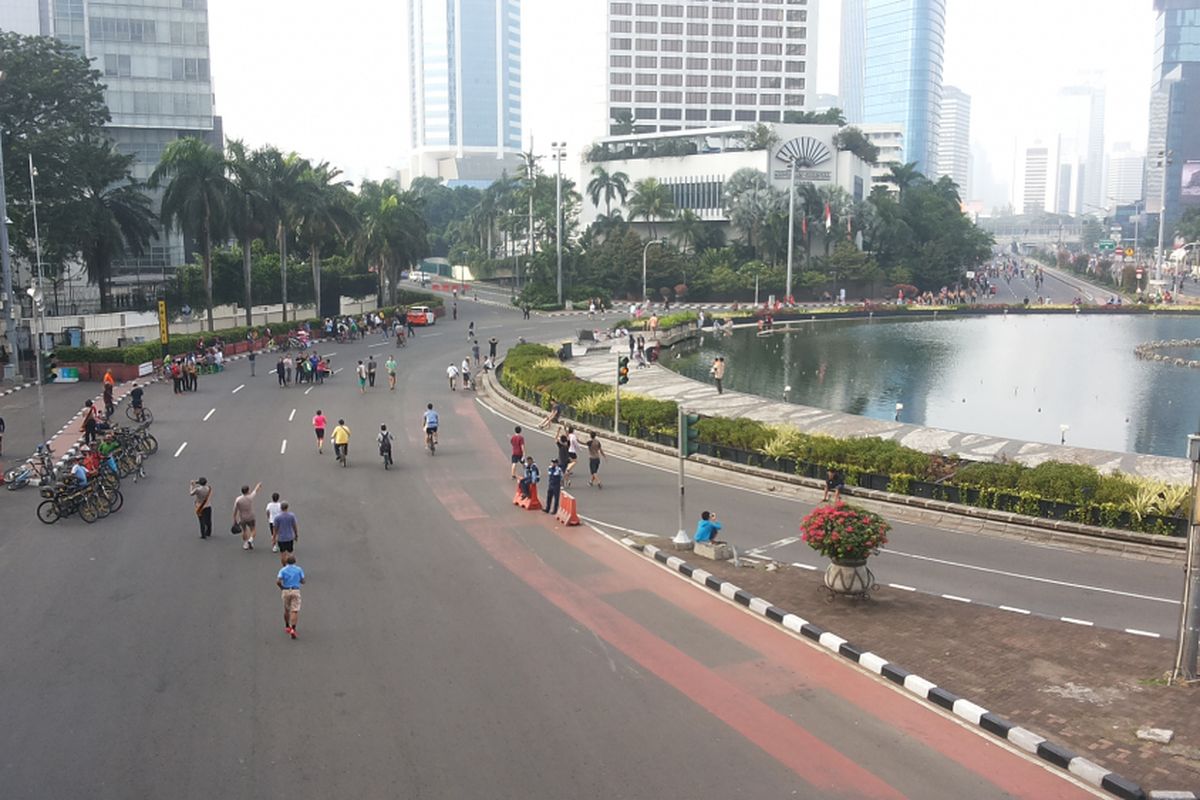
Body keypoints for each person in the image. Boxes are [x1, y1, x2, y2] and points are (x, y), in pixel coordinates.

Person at [276, 554, 305, 639]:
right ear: (295, 561)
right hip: (295, 590)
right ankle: (293, 628)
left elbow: (278, 581)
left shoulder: (283, 570)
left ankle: (287, 626)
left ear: (286, 562)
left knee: (286, 609)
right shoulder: (299, 569)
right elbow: (303, 580)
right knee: (294, 610)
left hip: (286, 590)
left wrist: (282, 587)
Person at [233, 482, 262, 550]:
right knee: (253, 530)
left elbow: (235, 510)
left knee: (244, 530)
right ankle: (250, 540)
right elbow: (255, 491)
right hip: (251, 517)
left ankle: (246, 543)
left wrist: (234, 519)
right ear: (248, 491)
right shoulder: (250, 497)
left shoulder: (238, 500)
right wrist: (258, 485)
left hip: (242, 518)